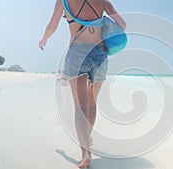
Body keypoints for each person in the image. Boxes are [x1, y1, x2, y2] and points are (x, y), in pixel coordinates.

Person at [39, 0, 126, 168]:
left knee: (81, 106)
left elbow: (52, 25)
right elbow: (122, 24)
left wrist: (44, 38)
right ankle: (86, 138)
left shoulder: (64, 1)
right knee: (92, 104)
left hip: (78, 53)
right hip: (101, 54)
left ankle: (85, 153)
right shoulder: (103, 1)